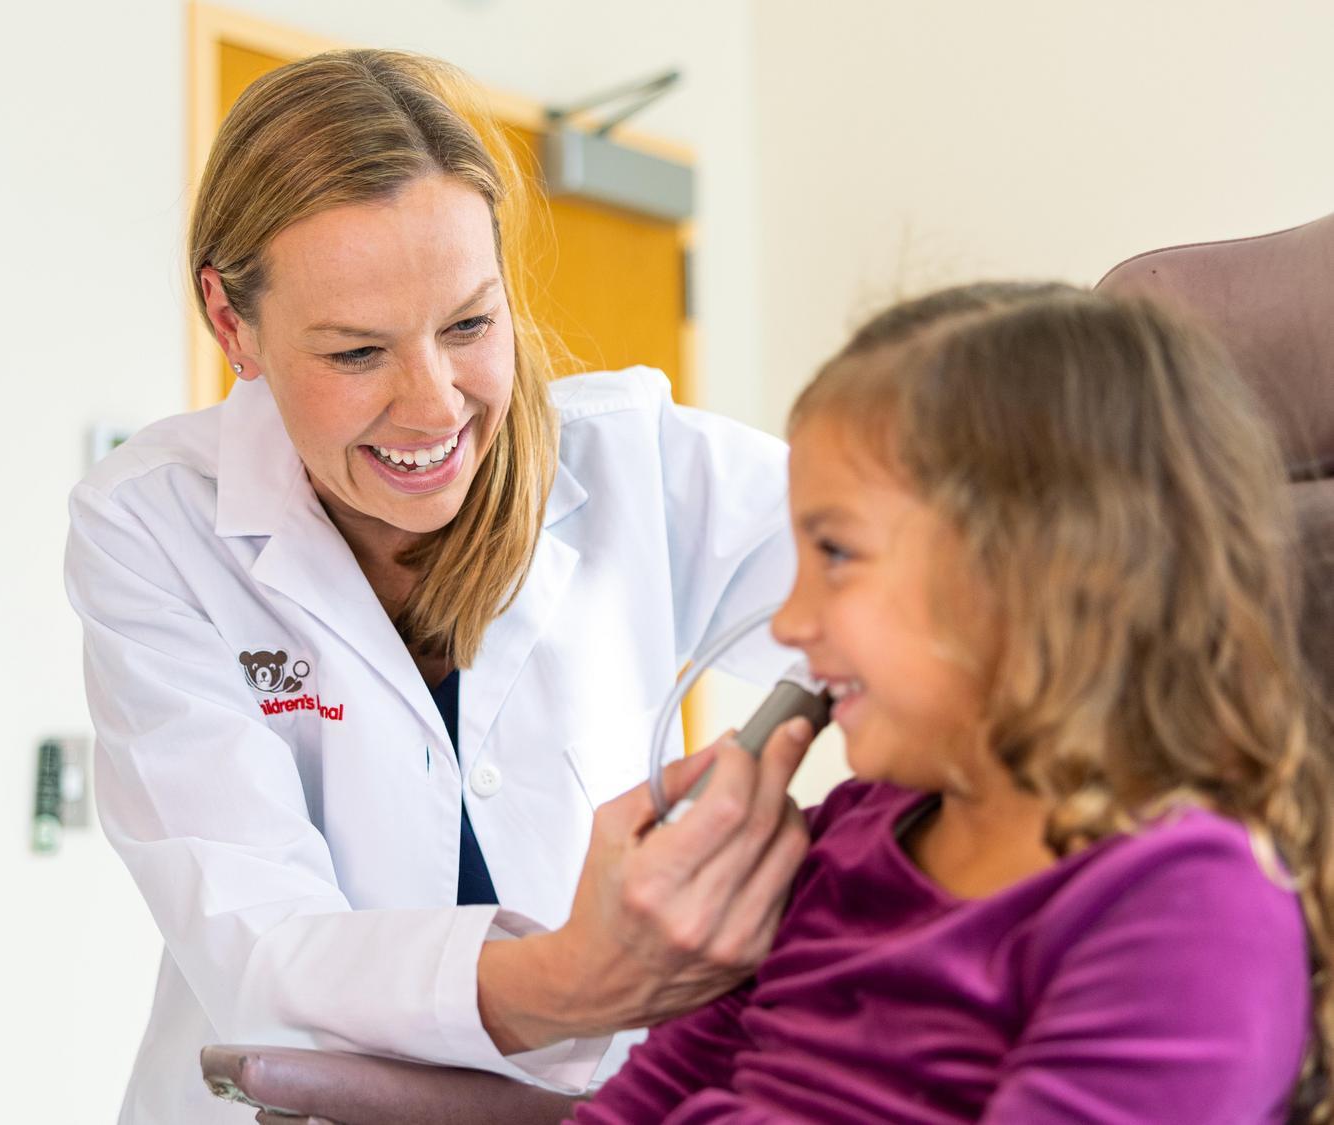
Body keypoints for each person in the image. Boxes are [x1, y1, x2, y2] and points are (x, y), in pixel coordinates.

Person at [64, 48, 813, 1124]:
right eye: (357, 352)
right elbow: (260, 940)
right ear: (232, 324)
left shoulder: (638, 462)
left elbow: (922, 605)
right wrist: (572, 981)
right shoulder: (153, 524)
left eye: (469, 326)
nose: (433, 407)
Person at [572, 283, 1333, 1123]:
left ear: (1034, 571)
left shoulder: (1186, 910)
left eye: (836, 552)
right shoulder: (837, 840)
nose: (790, 621)